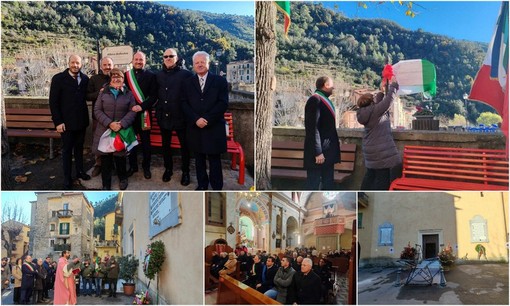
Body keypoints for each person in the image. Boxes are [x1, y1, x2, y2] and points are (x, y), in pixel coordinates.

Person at [181, 51, 229, 190]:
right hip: (195, 126)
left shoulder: (219, 81)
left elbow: (223, 103)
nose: (200, 64)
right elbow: (184, 103)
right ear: (193, 65)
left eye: (203, 62)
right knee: (199, 159)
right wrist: (196, 119)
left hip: (213, 126)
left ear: (208, 63)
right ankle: (202, 185)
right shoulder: (187, 83)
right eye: (197, 62)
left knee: (214, 159)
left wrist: (207, 119)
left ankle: (216, 187)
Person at [49, 54, 91, 189]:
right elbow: (53, 102)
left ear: (81, 64)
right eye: (73, 63)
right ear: (68, 63)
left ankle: (80, 171)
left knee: (79, 149)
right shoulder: (58, 79)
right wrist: (58, 122)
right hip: (65, 123)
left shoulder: (85, 78)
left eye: (78, 63)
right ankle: (67, 178)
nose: (75, 65)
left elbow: (87, 96)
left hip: (81, 121)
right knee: (67, 151)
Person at [92, 67, 137, 190]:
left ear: (123, 79)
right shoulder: (103, 92)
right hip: (105, 130)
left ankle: (123, 179)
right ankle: (106, 184)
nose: (117, 79)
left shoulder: (129, 93)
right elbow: (97, 110)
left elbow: (132, 111)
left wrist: (121, 124)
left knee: (120, 157)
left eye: (120, 77)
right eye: (114, 76)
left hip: (121, 130)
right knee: (105, 159)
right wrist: (109, 123)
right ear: (111, 79)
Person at [155, 48, 193, 185]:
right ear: (163, 58)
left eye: (171, 56)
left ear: (177, 58)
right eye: (166, 56)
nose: (168, 58)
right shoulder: (158, 75)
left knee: (185, 146)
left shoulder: (186, 74)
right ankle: (168, 169)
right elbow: (155, 95)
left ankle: (186, 172)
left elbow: (191, 96)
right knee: (166, 146)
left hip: (181, 117)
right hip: (164, 116)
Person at [356, 77, 401, 190]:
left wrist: (381, 91)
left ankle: (361, 196)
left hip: (370, 148)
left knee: (370, 175)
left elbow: (379, 103)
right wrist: (393, 86)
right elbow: (388, 101)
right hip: (380, 150)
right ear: (371, 103)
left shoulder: (364, 112)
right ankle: (379, 199)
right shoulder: (375, 111)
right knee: (382, 178)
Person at [303, 76, 341, 190]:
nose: (333, 87)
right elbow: (312, 128)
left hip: (327, 152)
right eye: (332, 85)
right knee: (313, 184)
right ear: (326, 85)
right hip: (319, 154)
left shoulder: (323, 100)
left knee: (328, 183)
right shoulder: (315, 100)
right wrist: (318, 151)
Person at [126, 51, 157, 180]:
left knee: (146, 144)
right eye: (136, 59)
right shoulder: (126, 76)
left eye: (141, 60)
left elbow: (154, 96)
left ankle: (146, 167)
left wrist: (142, 106)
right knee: (131, 142)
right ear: (132, 61)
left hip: (145, 115)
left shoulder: (151, 76)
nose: (139, 62)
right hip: (130, 115)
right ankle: (133, 167)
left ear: (145, 61)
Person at [87, 57, 114, 177]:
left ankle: (112, 164)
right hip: (98, 117)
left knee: (113, 141)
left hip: (114, 117)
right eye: (105, 65)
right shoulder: (94, 79)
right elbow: (87, 95)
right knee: (98, 141)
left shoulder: (117, 78)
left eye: (109, 64)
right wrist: (99, 93)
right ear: (101, 66)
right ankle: (98, 164)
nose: (107, 67)